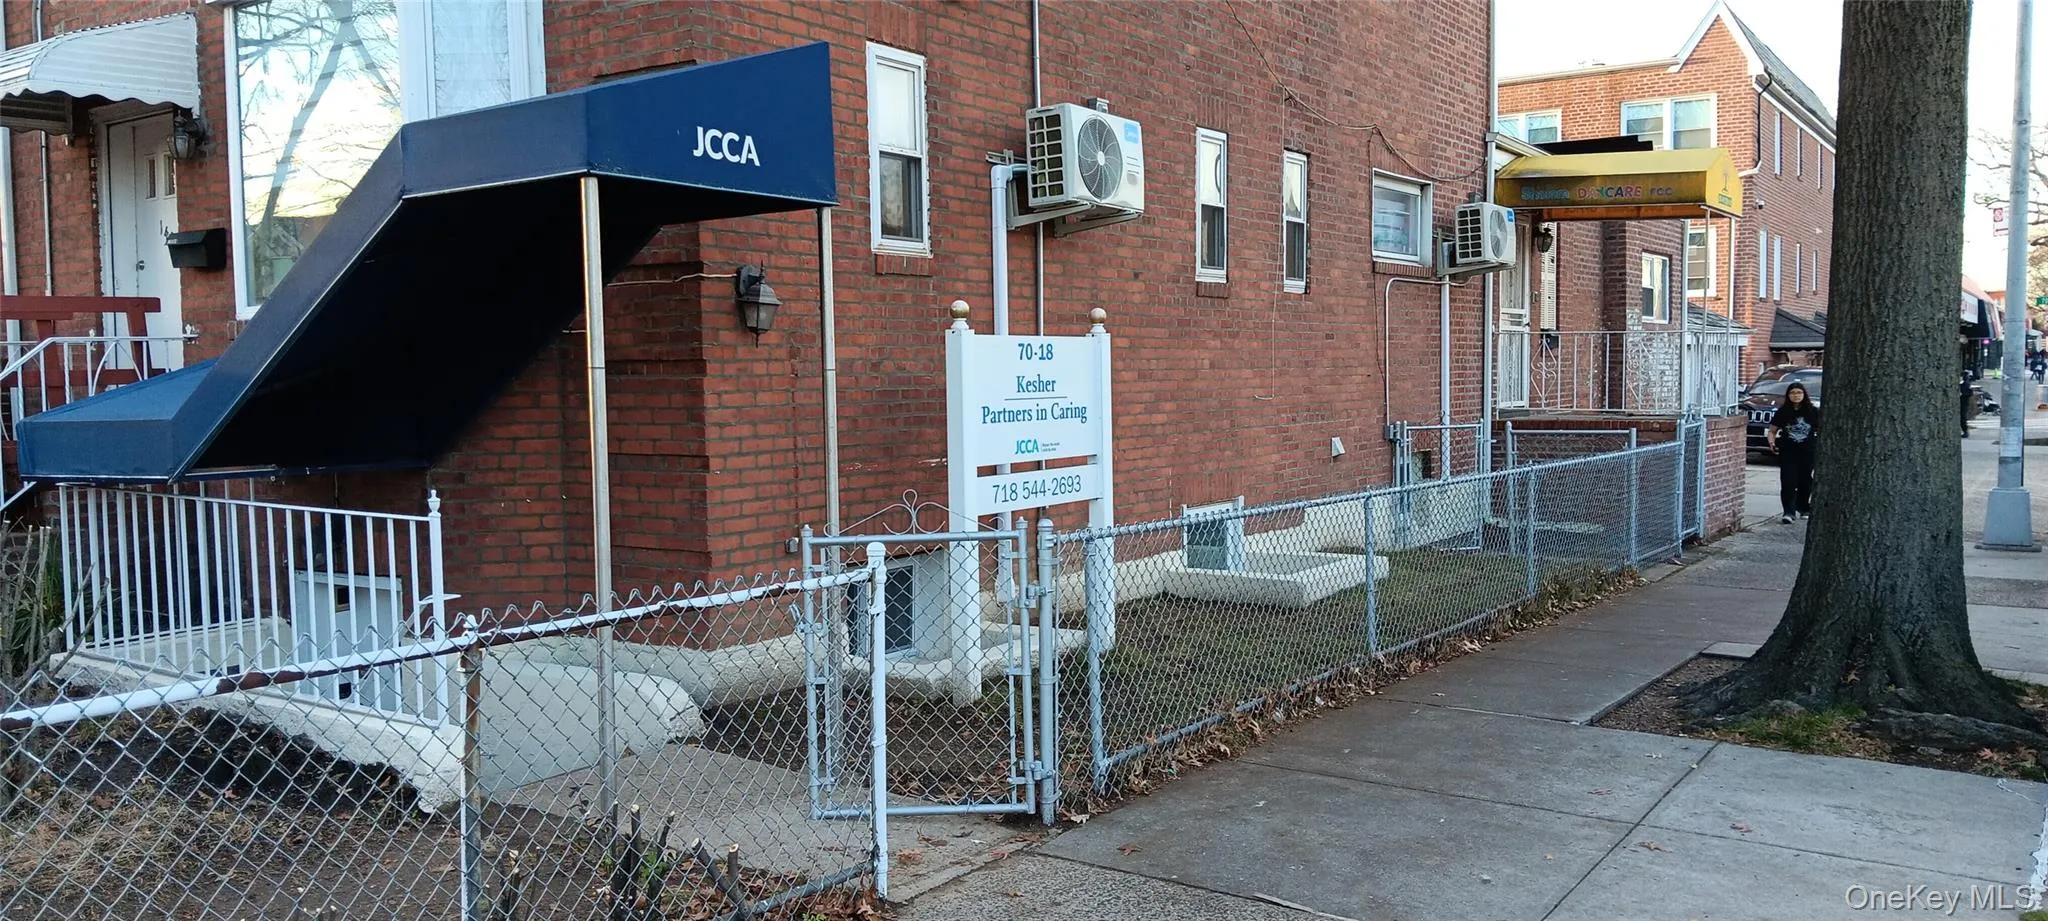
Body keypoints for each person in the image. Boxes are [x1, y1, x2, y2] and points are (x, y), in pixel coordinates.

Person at [1769, 382, 1820, 524]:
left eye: (1799, 393)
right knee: (1788, 482)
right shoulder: (1783, 412)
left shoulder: (1813, 411)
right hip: (1788, 451)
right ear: (1788, 395)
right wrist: (1771, 442)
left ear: (1804, 395)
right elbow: (1772, 430)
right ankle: (1788, 511)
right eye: (1792, 393)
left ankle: (1803, 507)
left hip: (1808, 451)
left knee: (1805, 481)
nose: (1796, 395)